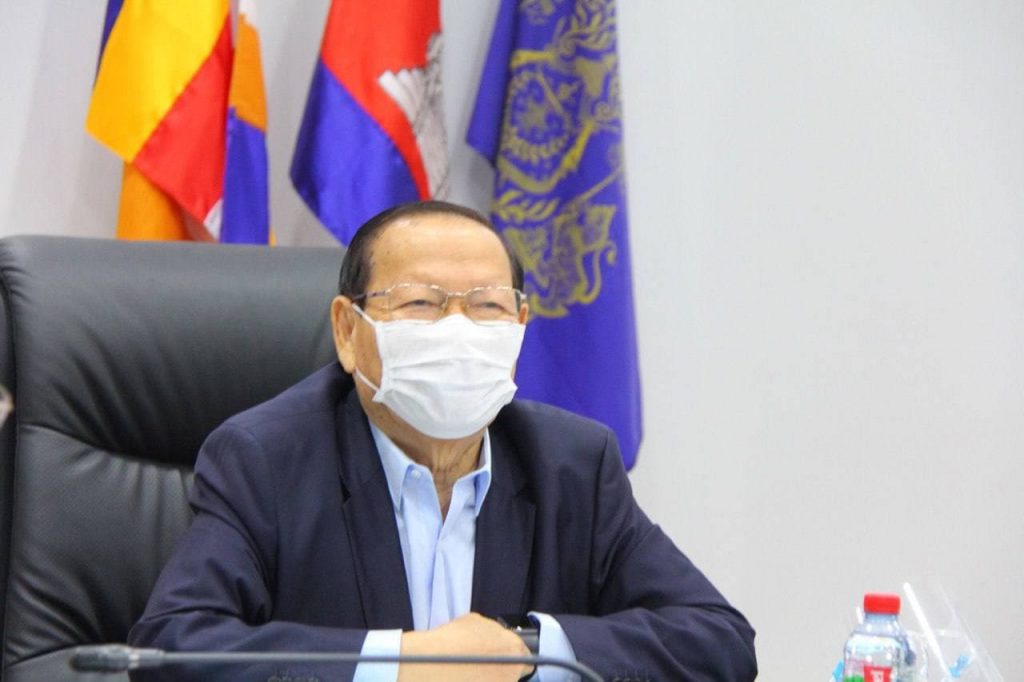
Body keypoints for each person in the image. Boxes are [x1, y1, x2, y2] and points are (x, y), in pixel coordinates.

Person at [129, 200, 757, 681]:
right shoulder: (265, 459)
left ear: (520, 326)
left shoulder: (572, 463)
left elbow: (717, 640)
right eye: (421, 304)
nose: (458, 331)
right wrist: (400, 664)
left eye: (487, 307)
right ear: (348, 331)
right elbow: (172, 648)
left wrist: (526, 651)